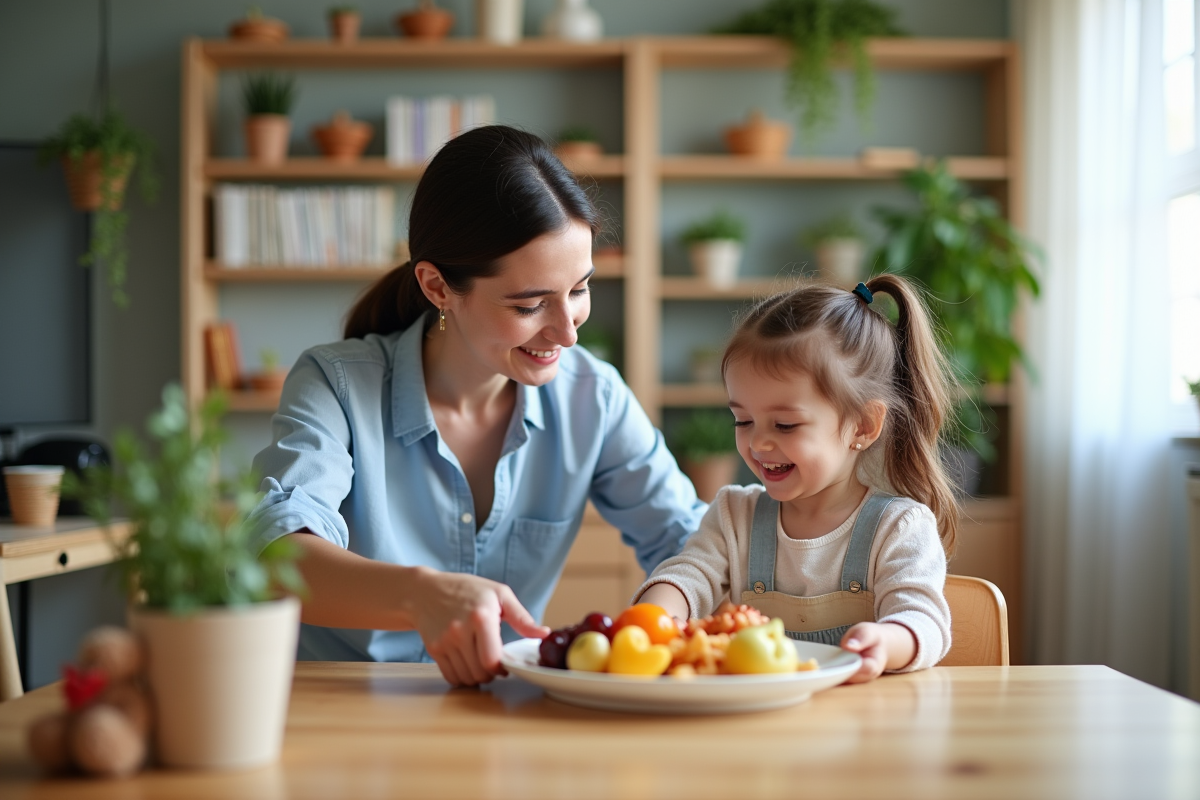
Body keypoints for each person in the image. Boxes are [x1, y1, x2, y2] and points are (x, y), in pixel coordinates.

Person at [247, 125, 706, 687]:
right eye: (531, 304)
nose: (567, 333)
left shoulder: (594, 397)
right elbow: (274, 562)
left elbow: (695, 543)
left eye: (580, 290)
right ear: (438, 287)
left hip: (502, 718)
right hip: (345, 712)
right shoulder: (336, 384)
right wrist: (419, 596)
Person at [637, 277, 957, 683]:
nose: (758, 442)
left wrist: (887, 640)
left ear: (863, 425)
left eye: (785, 425)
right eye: (743, 420)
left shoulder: (899, 528)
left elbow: (923, 620)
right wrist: (653, 619)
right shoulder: (735, 515)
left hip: (860, 728)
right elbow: (688, 577)